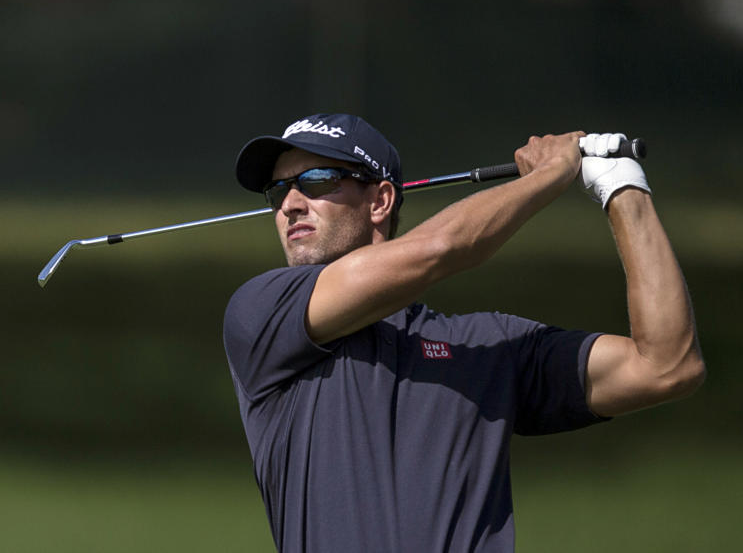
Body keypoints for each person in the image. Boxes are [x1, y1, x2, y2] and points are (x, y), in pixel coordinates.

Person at [222, 113, 705, 553]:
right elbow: (440, 249)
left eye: (317, 180)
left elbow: (667, 365)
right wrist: (549, 177)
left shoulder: (486, 345)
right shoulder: (262, 313)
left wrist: (624, 189)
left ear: (380, 201)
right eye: (278, 190)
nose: (290, 203)